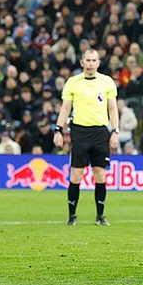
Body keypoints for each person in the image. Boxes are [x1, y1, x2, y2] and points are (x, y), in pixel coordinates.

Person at [54, 48, 119, 226]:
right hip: (80, 132)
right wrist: (58, 129)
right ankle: (72, 216)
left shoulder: (106, 82)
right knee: (76, 175)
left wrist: (115, 131)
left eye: (93, 60)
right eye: (87, 60)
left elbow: (112, 108)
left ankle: (100, 216)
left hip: (100, 132)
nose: (90, 63)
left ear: (98, 63)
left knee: (100, 175)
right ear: (82, 62)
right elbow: (66, 108)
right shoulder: (73, 82)